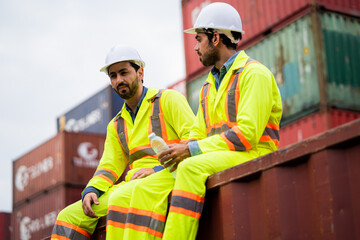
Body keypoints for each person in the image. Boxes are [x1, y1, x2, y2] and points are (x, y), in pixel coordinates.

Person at [158, 2, 283, 240]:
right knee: (160, 177)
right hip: (223, 155)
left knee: (190, 167)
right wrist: (169, 158)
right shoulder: (208, 85)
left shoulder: (254, 74)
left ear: (215, 38)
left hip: (255, 153)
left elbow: (247, 135)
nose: (196, 47)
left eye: (199, 39)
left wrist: (191, 151)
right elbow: (197, 133)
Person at [51, 45, 195, 240]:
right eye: (113, 76)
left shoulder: (168, 99)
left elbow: (193, 141)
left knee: (122, 197)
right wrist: (91, 190)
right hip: (134, 183)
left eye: (124, 72)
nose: (119, 80)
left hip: (170, 174)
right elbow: (108, 166)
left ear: (140, 72)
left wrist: (156, 170)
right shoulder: (116, 125)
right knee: (67, 217)